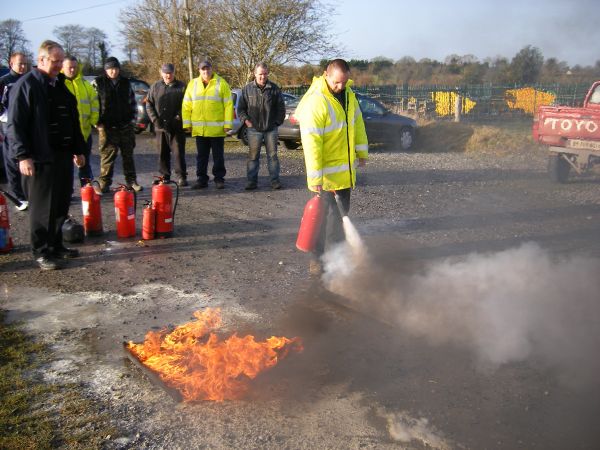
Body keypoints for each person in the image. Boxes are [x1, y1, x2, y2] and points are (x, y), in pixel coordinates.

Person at [7, 40, 86, 270]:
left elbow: (72, 120)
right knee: (42, 209)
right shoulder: (27, 86)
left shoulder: (60, 85)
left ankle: (56, 245)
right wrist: (23, 156)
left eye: (61, 61)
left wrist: (78, 150)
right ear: (41, 60)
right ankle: (41, 252)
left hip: (62, 156)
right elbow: (15, 125)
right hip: (39, 158)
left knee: (60, 204)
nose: (59, 65)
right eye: (55, 61)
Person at [295, 59, 369, 275]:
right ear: (326, 75)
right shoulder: (316, 103)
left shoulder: (349, 97)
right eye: (337, 83)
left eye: (344, 82)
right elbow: (311, 144)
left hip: (344, 175)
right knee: (321, 221)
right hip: (325, 177)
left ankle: (336, 259)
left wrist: (362, 152)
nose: (341, 87)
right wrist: (315, 178)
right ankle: (317, 260)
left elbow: (358, 125)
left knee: (339, 220)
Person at [182, 59, 233, 190]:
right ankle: (201, 179)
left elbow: (228, 105)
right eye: (203, 69)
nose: (206, 71)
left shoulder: (221, 83)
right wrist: (187, 124)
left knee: (218, 157)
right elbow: (186, 105)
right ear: (199, 70)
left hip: (216, 129)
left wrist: (228, 124)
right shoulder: (192, 84)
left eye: (208, 68)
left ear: (212, 69)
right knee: (201, 157)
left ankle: (219, 179)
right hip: (200, 130)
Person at [94, 56, 142, 193]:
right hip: (106, 127)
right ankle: (104, 183)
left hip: (125, 126)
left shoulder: (126, 83)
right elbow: (93, 104)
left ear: (119, 69)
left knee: (128, 156)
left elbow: (133, 103)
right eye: (110, 69)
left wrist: (132, 122)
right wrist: (97, 123)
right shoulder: (98, 83)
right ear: (105, 70)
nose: (113, 71)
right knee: (107, 156)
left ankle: (132, 181)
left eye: (115, 68)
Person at [237, 62, 286, 190]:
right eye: (260, 74)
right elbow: (241, 109)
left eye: (265, 74)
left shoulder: (274, 89)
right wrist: (246, 121)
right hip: (253, 130)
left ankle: (275, 181)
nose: (262, 77)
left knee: (273, 156)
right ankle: (251, 182)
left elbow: (281, 108)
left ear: (267, 74)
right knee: (253, 157)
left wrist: (277, 122)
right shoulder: (247, 89)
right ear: (255, 74)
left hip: (271, 129)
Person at [146, 63, 188, 186]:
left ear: (174, 72)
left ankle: (181, 176)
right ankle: (164, 176)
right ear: (161, 73)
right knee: (162, 153)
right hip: (160, 127)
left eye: (170, 72)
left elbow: (187, 105)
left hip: (176, 126)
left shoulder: (182, 87)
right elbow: (149, 104)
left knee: (178, 152)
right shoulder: (155, 87)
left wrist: (179, 117)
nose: (168, 75)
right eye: (165, 73)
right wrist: (155, 119)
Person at [62, 55, 99, 185]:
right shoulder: (58, 84)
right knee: (66, 166)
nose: (72, 70)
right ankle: (68, 191)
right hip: (65, 135)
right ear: (63, 67)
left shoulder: (85, 85)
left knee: (84, 163)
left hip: (84, 133)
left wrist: (93, 121)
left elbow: (94, 104)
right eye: (69, 68)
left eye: (74, 67)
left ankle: (87, 189)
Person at [0, 52, 29, 211]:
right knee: (12, 163)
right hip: (9, 128)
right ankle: (19, 197)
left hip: (26, 128)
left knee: (27, 161)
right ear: (11, 64)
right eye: (20, 64)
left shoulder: (28, 80)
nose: (23, 67)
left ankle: (28, 193)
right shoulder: (4, 82)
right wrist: (9, 119)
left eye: (25, 63)